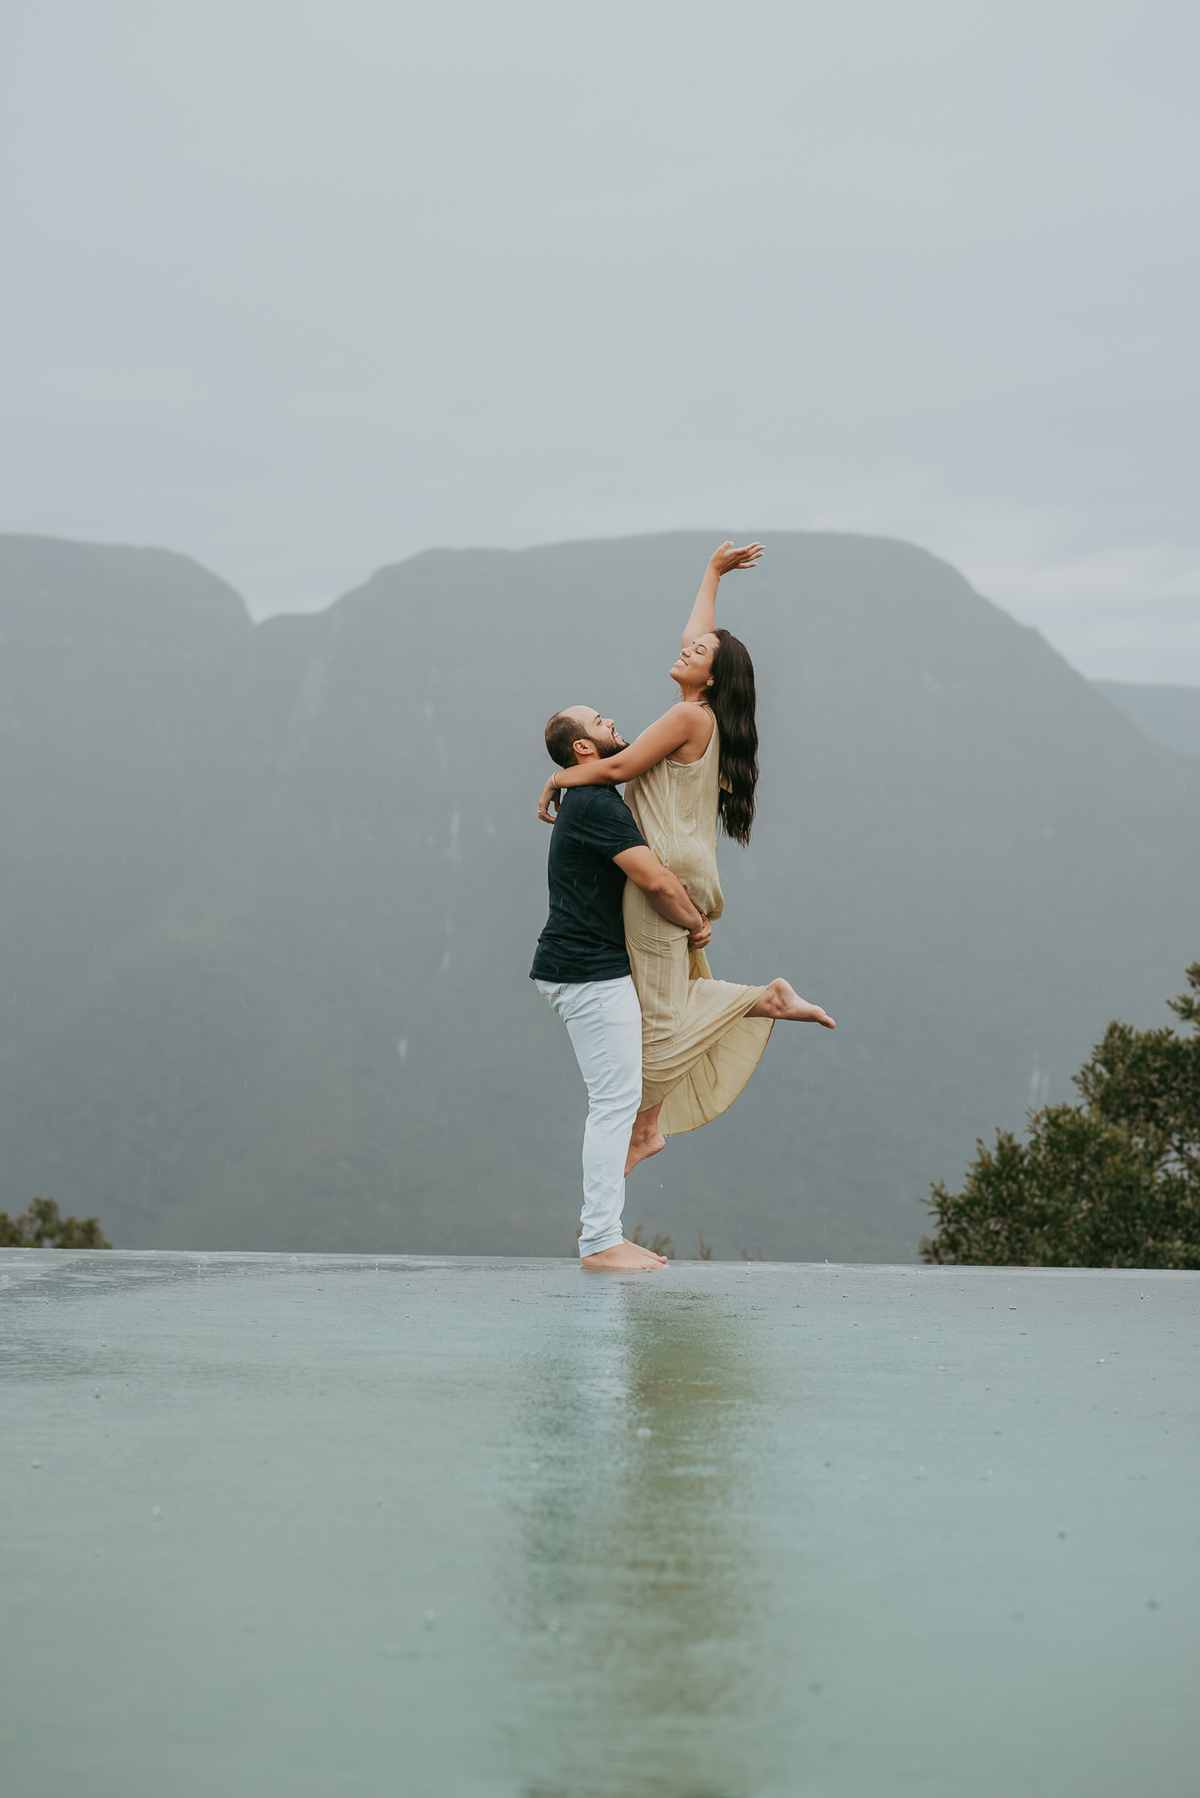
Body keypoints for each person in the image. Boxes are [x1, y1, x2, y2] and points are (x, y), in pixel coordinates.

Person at [538, 541, 834, 1177]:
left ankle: (764, 1001)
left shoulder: (685, 717)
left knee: (658, 1015)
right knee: (668, 994)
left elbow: (614, 767)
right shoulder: (703, 714)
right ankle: (648, 1127)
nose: (686, 650)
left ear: (710, 679)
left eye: (697, 655)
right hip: (687, 865)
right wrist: (712, 573)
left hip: (659, 874)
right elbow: (699, 635)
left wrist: (558, 780)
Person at [530, 705, 713, 1272]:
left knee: (618, 1100)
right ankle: (600, 1241)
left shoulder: (590, 796)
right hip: (586, 971)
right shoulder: (594, 803)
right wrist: (695, 922)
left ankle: (606, 1231)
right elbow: (654, 878)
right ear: (584, 749)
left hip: (584, 967)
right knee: (612, 1104)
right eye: (601, 722)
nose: (613, 724)